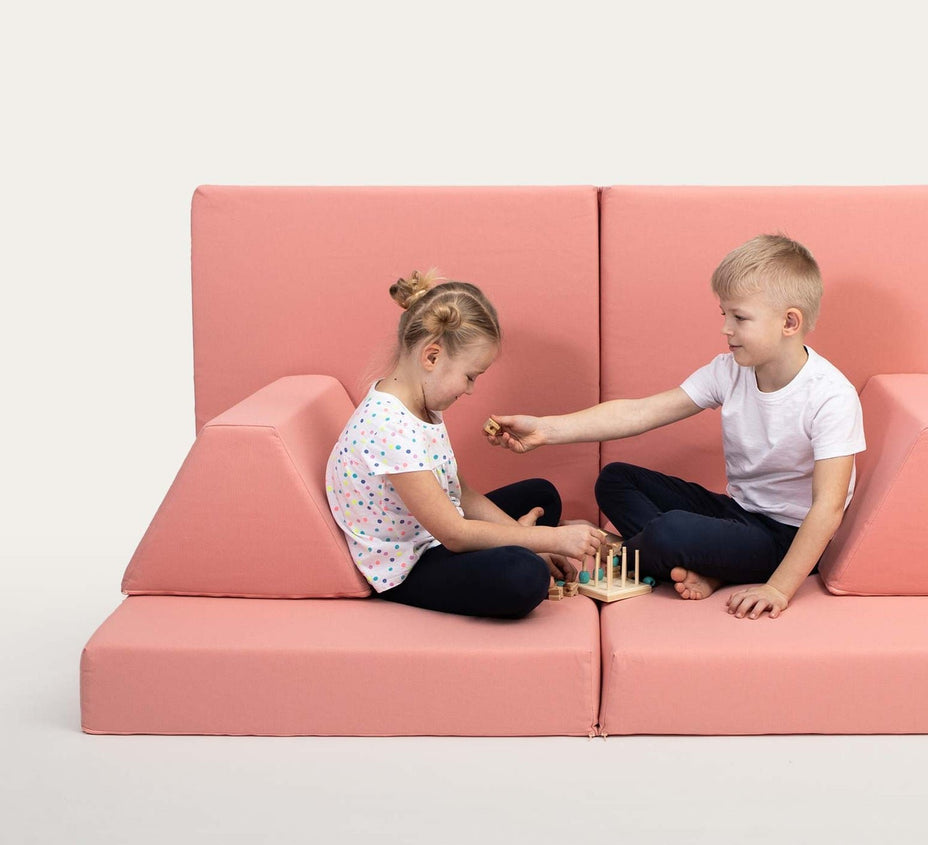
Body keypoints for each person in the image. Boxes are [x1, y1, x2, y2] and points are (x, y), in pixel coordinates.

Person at [484, 234, 865, 621]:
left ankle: (638, 552)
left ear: (789, 321)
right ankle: (700, 563)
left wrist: (779, 588)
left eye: (739, 317)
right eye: (724, 315)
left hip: (785, 537)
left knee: (671, 532)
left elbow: (828, 507)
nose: (725, 329)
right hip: (736, 513)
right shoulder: (729, 371)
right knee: (615, 479)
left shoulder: (831, 395)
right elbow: (641, 413)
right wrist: (546, 430)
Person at [325, 269, 607, 618]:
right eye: (470, 376)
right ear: (431, 357)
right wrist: (547, 542)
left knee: (542, 494)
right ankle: (520, 546)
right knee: (524, 575)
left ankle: (517, 541)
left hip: (435, 533)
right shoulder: (387, 427)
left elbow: (459, 492)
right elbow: (454, 534)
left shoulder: (421, 402)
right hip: (411, 564)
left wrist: (519, 536)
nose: (471, 389)